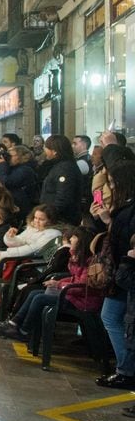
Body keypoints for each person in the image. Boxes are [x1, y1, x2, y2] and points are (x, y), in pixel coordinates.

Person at [0, 228, 104, 343]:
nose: (71, 239)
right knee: (34, 293)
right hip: (74, 296)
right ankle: (13, 324)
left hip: (83, 301)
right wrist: (59, 282)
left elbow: (82, 287)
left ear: (81, 242)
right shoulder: (78, 258)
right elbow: (75, 278)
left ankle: (25, 331)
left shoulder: (89, 262)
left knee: (40, 298)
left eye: (74, 237)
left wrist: (59, 284)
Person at [91, 160, 135, 390]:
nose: (112, 187)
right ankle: (124, 369)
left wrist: (110, 221)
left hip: (126, 272)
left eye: (113, 182)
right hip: (121, 271)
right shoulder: (124, 206)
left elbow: (126, 237)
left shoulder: (130, 208)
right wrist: (106, 220)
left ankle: (126, 370)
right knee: (113, 318)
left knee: (112, 318)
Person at [39, 134, 84, 226]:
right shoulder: (58, 166)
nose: (45, 150)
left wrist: (49, 215)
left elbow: (63, 196)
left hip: (60, 219)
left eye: (46, 147)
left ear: (54, 151)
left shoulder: (65, 168)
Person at [0, 144, 40, 222]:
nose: (8, 158)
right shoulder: (14, 168)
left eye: (10, 155)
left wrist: (3, 164)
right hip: (16, 203)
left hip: (22, 205)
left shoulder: (25, 170)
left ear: (21, 157)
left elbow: (7, 182)